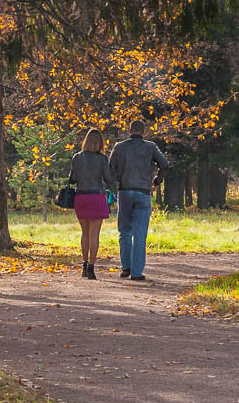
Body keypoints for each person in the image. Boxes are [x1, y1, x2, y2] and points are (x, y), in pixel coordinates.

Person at [107, 119, 169, 281]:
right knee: (140, 234)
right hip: (143, 192)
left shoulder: (119, 147)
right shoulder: (150, 147)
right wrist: (156, 181)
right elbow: (164, 163)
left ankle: (125, 267)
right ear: (143, 131)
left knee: (125, 231)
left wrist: (113, 184)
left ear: (129, 130)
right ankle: (136, 273)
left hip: (125, 192)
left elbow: (110, 170)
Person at [68, 127, 116, 280]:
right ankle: (91, 268)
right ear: (100, 143)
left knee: (85, 233)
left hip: (81, 197)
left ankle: (84, 264)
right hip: (97, 197)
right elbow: (109, 178)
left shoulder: (77, 157)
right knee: (94, 234)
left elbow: (72, 179)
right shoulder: (102, 159)